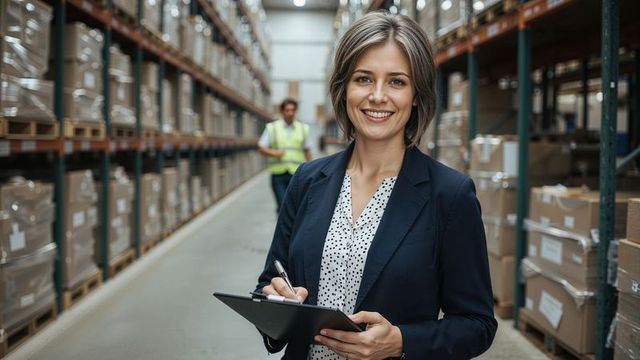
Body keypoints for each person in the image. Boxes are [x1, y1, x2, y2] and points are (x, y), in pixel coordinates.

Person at [255, 12, 496, 360]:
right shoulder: (307, 181)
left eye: (397, 82)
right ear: (345, 88)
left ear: (416, 95)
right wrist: (274, 299)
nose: (378, 96)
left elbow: (477, 325)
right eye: (364, 79)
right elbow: (268, 284)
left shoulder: (449, 195)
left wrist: (400, 341)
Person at [258, 98, 313, 212]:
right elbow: (261, 147)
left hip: (297, 174)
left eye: (293, 110)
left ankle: (292, 229)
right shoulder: (272, 128)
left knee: (296, 207)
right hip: (278, 174)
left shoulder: (303, 129)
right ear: (282, 111)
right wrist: (274, 153)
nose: (290, 113)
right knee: (283, 205)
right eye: (287, 110)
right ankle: (284, 228)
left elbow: (307, 151)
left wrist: (311, 171)